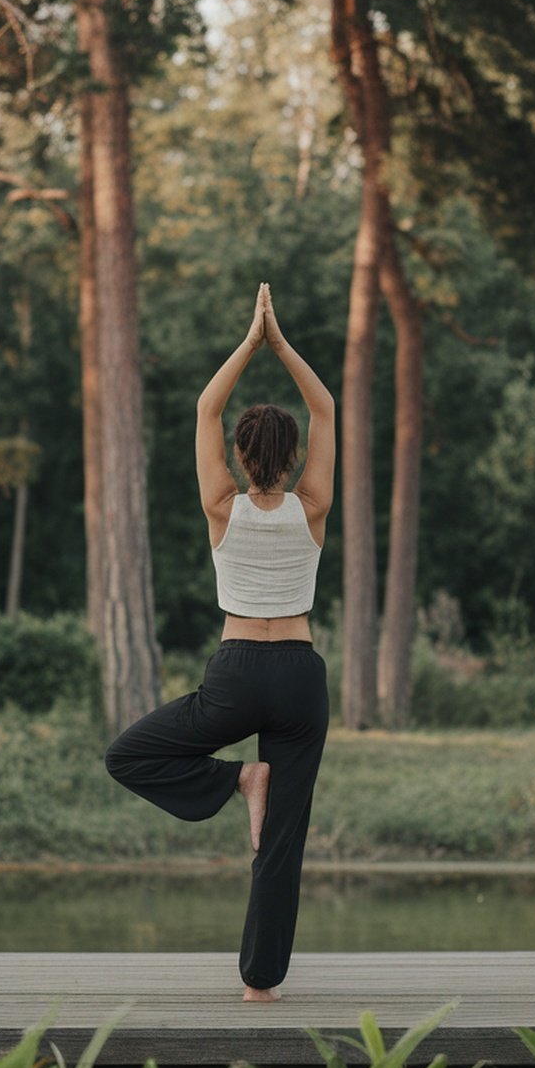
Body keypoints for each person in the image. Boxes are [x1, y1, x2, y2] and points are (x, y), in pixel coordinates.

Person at [104, 282, 335, 1001]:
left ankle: (238, 779)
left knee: (128, 755)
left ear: (238, 453)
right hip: (299, 675)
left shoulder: (220, 506)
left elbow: (206, 405)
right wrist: (281, 343)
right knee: (284, 838)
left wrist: (249, 340)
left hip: (236, 675)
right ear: (294, 454)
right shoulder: (314, 507)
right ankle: (260, 985)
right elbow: (326, 405)